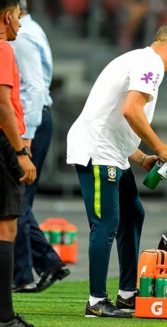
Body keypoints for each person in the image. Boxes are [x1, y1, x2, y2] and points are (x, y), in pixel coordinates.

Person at [66, 24, 167, 318]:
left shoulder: (139, 61)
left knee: (133, 214)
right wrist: (161, 148)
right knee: (106, 223)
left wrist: (141, 157)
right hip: (98, 152)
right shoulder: (150, 64)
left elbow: (111, 114)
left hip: (113, 152)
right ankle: (96, 301)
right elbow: (130, 111)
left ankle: (126, 294)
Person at [10, 0, 70, 294]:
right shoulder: (32, 30)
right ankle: (43, 265)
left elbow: (33, 87)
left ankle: (24, 273)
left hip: (28, 124)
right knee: (19, 199)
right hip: (33, 120)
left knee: (16, 199)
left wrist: (26, 135)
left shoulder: (19, 38)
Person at [0, 0, 37, 326]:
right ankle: (4, 316)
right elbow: (3, 104)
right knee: (6, 226)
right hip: (2, 145)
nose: (21, 25)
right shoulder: (2, 49)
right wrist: (21, 152)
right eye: (19, 18)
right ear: (8, 16)